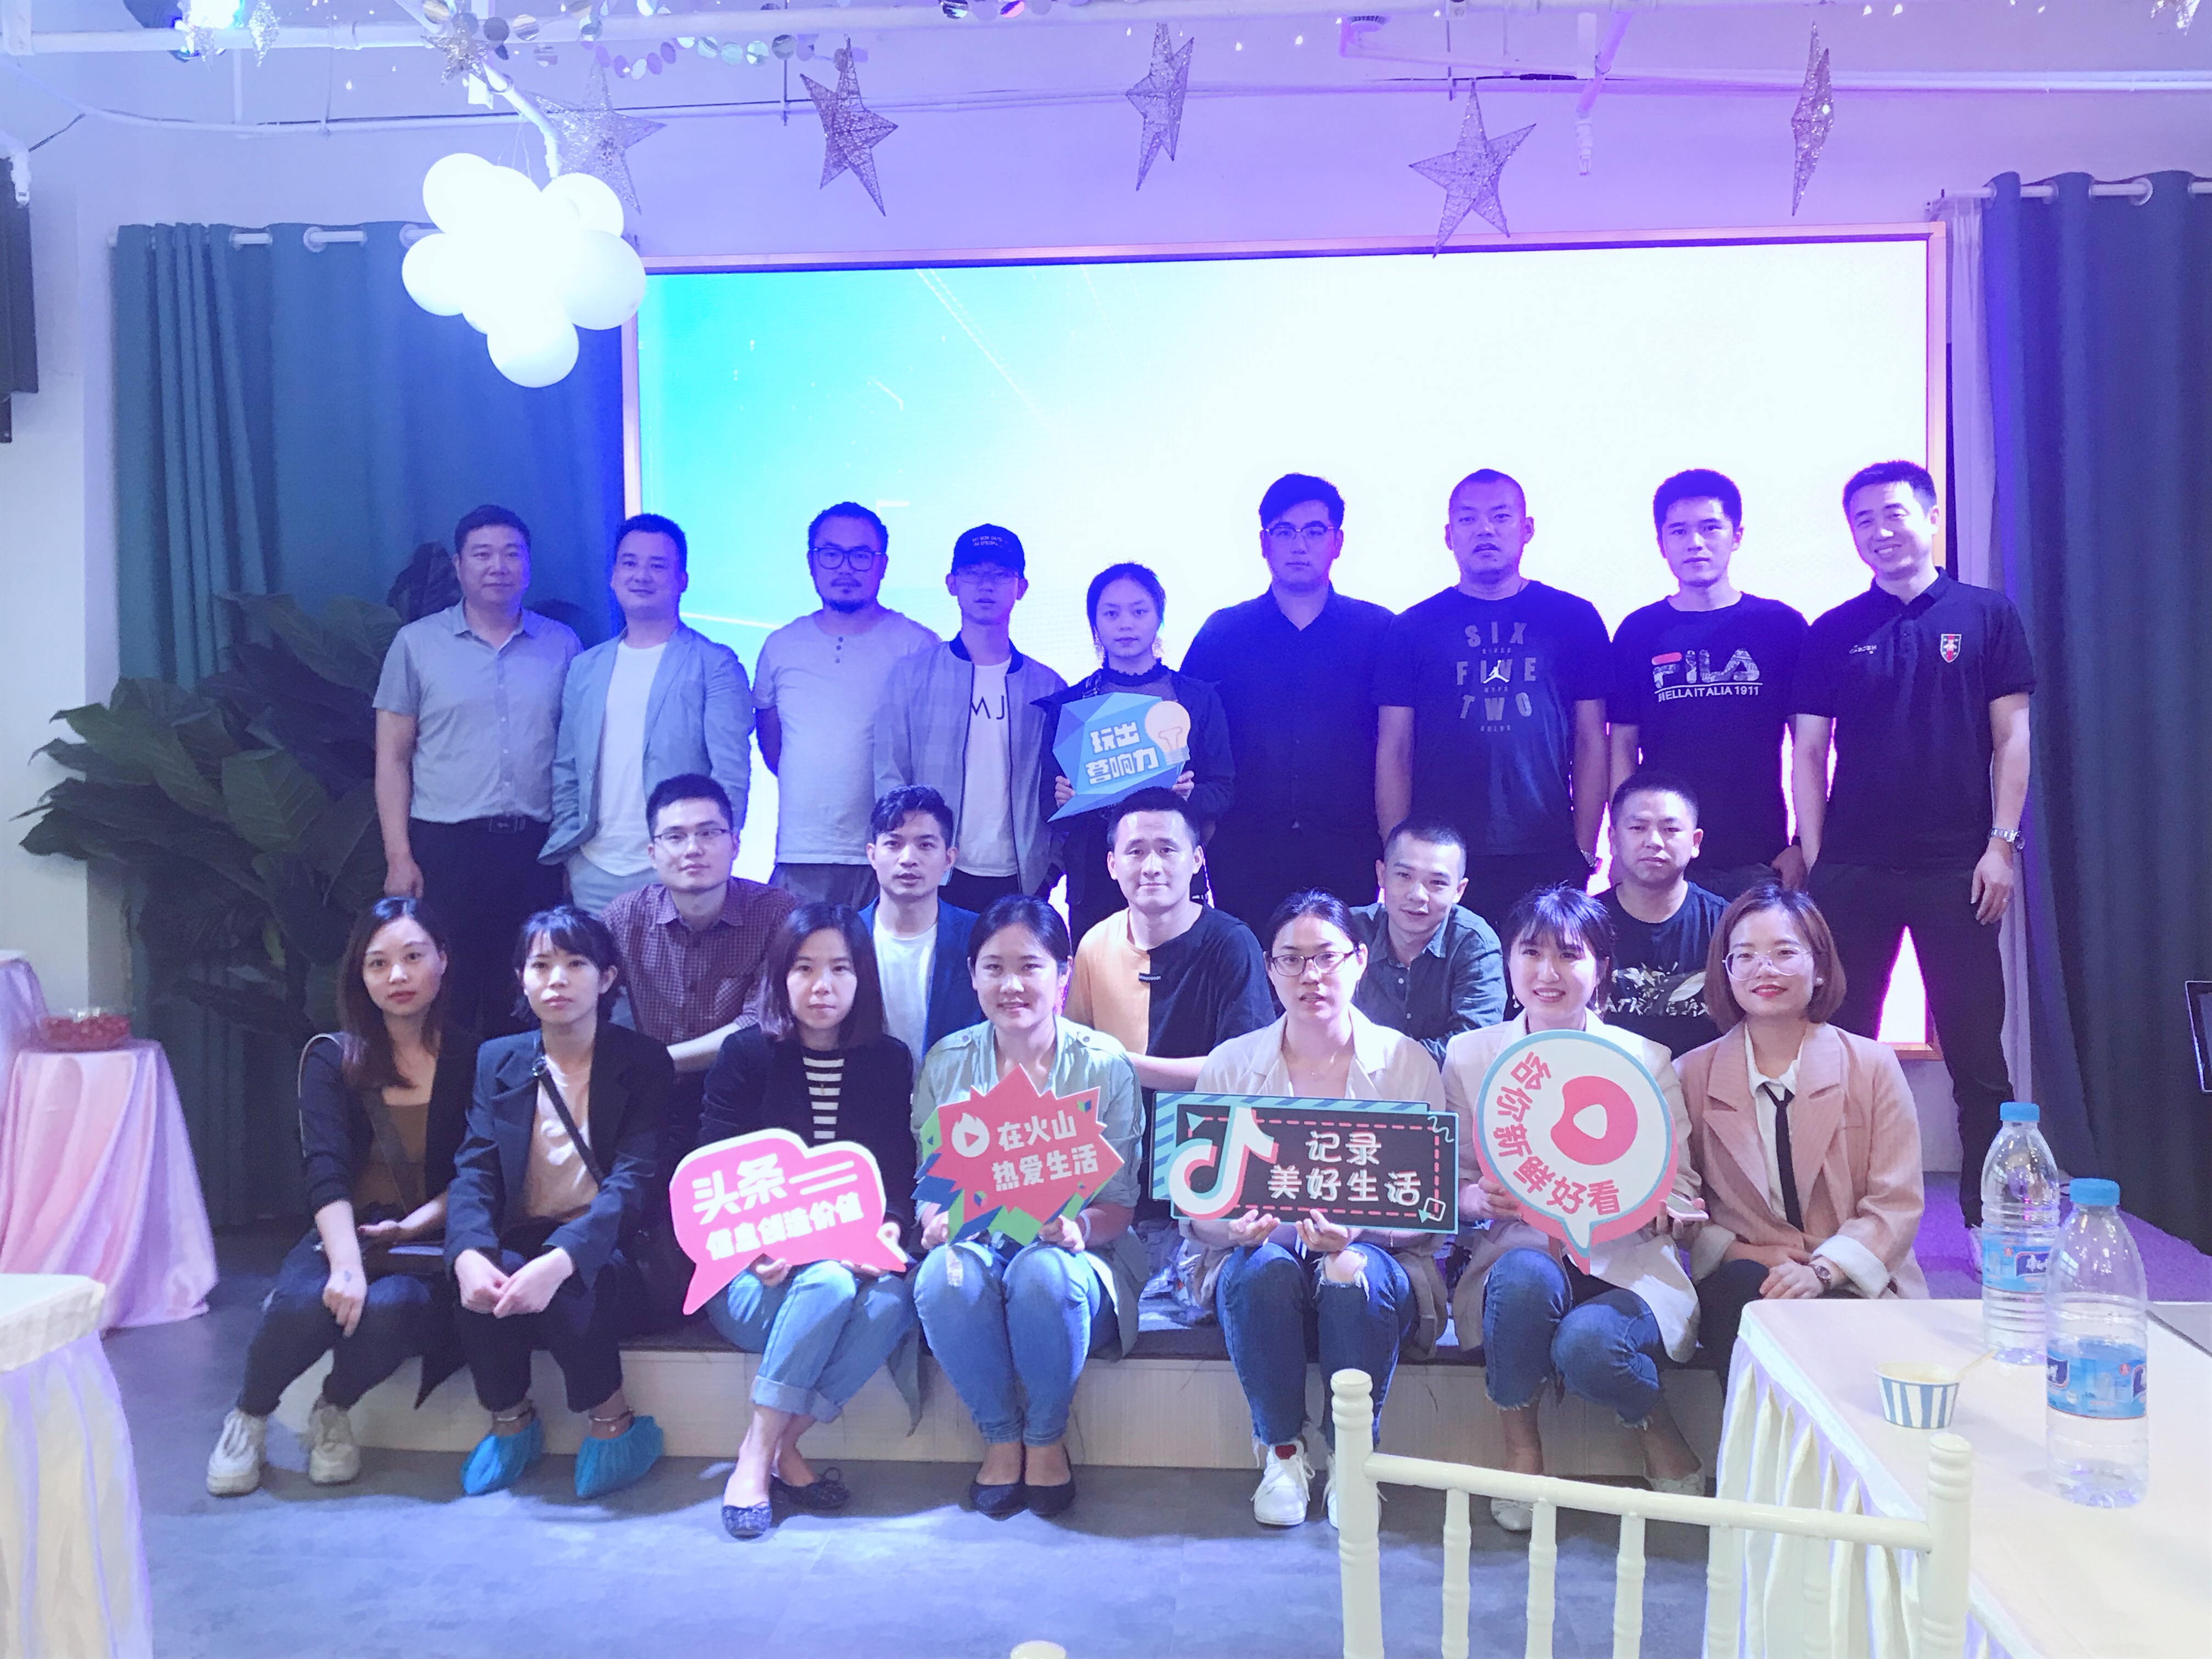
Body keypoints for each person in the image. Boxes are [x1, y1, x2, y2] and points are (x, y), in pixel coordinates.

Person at [1792, 460, 2033, 1229]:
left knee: (1976, 1051)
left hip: (1957, 867)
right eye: (1863, 520)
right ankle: (1840, 1215)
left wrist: (2001, 846)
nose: (1880, 531)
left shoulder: (1987, 615)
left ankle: (1989, 1219)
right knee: (1839, 1048)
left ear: (1930, 518)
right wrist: (1819, 861)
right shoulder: (1833, 630)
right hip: (1853, 869)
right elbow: (1808, 753)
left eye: (1893, 514)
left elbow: (2013, 738)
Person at [1442, 886, 1705, 1530]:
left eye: (1569, 954)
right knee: (1523, 1276)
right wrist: (1476, 1198)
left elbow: (1679, 1182)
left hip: (1626, 1261)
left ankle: (1656, 1425)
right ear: (1508, 962)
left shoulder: (1646, 1060)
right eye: (1530, 953)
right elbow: (1452, 1184)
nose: (1548, 972)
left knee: (1589, 1346)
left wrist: (1670, 1211)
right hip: (1518, 1252)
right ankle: (1521, 1454)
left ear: (1602, 967)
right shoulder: (1470, 1056)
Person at [1190, 891, 1444, 1530]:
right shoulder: (1230, 1065)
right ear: (1270, 969)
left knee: (1348, 1269)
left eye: (1327, 957)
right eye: (1292, 959)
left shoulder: (1407, 1063)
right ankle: (1282, 1454)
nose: (1312, 976)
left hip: (1377, 1258)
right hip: (1261, 1258)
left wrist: (1359, 1227)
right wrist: (1233, 1228)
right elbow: (1197, 1213)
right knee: (1263, 1269)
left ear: (1359, 960)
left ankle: (1354, 1460)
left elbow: (1428, 1213)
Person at [206, 899, 478, 1496]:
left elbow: (478, 1172)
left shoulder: (474, 1057)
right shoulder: (333, 1057)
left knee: (394, 1307)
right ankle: (248, 1416)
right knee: (302, 1305)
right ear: (360, 976)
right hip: (346, 1229)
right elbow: (324, 1170)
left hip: (430, 1235)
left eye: (413, 957)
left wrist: (414, 1227)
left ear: (443, 960)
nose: (398, 975)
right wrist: (347, 1265)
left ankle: (332, 1410)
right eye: (378, 964)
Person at [909, 896, 1145, 1520]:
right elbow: (931, 1187)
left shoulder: (1104, 1064)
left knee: (1043, 1273)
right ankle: (999, 1436)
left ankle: (1044, 1438)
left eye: (1030, 967)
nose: (1011, 985)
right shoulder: (946, 1062)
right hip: (979, 1245)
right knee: (943, 1277)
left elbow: (1119, 1208)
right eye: (994, 968)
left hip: (1082, 1256)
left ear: (1062, 975)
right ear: (972, 976)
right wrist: (934, 1222)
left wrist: (1077, 1228)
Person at [696, 904, 918, 1538]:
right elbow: (713, 1179)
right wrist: (766, 1246)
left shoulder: (888, 1060)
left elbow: (894, 1173)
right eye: (804, 968)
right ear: (780, 976)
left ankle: (772, 1445)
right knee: (827, 1281)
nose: (823, 986)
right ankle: (759, 1460)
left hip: (844, 1267)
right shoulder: (746, 1055)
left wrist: (889, 1229)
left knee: (893, 1300)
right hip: (749, 1275)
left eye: (840, 969)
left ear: (863, 977)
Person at [444, 906, 673, 1498]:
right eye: (541, 965)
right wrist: (467, 1250)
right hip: (527, 1233)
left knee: (573, 1287)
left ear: (607, 977)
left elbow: (635, 1181)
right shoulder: (498, 1058)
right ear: (521, 978)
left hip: (618, 1245)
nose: (557, 980)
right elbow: (475, 1166)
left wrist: (563, 1257)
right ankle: (511, 1422)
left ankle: (615, 1423)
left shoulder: (643, 1061)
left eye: (576, 964)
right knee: (485, 1277)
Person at [1677, 887, 1928, 1374]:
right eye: (1745, 956)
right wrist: (1751, 1253)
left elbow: (1895, 1203)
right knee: (1743, 1296)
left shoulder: (1873, 1066)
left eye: (1784, 953)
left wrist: (1823, 1271)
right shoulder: (1691, 1074)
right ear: (1726, 972)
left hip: (1858, 1278)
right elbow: (1686, 1206)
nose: (1764, 970)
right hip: (1747, 1280)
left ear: (1820, 969)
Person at [1375, 470, 1611, 936]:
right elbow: (1394, 749)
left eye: (1500, 517)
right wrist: (1398, 856)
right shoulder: (1411, 629)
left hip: (1546, 846)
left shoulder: (1574, 619)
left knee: (1545, 973)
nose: (1485, 530)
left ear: (1527, 529)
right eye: (1469, 519)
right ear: (1449, 535)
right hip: (1439, 857)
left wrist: (1585, 848)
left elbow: (1592, 741)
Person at [373, 504, 578, 1034]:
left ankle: (527, 1092)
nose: (498, 566)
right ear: (460, 566)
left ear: (528, 564)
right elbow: (392, 758)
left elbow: (576, 755)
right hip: (447, 850)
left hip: (535, 850)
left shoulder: (561, 645)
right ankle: (452, 1094)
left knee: (532, 997)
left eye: (512, 554)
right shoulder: (417, 644)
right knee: (451, 1003)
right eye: (483, 554)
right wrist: (399, 855)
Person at [1183, 473, 1395, 936]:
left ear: (1338, 541)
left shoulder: (1379, 631)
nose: (1300, 545)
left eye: (1315, 531)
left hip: (1349, 846)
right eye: (1284, 531)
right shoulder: (1223, 634)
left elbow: (1400, 744)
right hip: (1245, 849)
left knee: (1342, 969)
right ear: (1264, 543)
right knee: (1252, 971)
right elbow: (1186, 738)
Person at [1064, 788, 1274, 1221]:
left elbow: (1246, 1072)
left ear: (1196, 860)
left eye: (1167, 850)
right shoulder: (1094, 943)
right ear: (1112, 865)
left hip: (1207, 1173)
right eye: (1136, 852)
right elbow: (1074, 1065)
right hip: (1112, 1173)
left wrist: (1122, 1063)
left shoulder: (1232, 943)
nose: (1151, 866)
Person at [1608, 470, 1810, 900]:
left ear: (1737, 536)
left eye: (1710, 528)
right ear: (1662, 542)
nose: (1695, 543)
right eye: (1679, 531)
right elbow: (1622, 747)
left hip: (1761, 857)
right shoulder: (1638, 632)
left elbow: (1809, 747)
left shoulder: (1781, 627)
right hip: (1663, 858)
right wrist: (1621, 846)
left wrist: (1801, 843)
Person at [543, 513, 755, 915]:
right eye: (630, 563)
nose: (641, 575)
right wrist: (571, 853)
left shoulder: (715, 664)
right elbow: (567, 768)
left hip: (678, 870)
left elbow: (731, 774)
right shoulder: (585, 667)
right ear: (613, 576)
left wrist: (713, 856)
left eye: (658, 565)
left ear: (682, 580)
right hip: (593, 868)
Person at [600, 775, 799, 1176]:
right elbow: (589, 996)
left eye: (709, 833)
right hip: (656, 1096)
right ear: (653, 853)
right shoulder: (624, 917)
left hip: (748, 1094)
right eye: (675, 837)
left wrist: (657, 1062)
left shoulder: (776, 912)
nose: (693, 849)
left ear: (735, 844)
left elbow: (762, 1021)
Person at [873, 525, 1066, 914]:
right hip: (933, 873)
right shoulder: (912, 676)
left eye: (1000, 574)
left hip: (1022, 877)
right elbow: (890, 774)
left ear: (1021, 587)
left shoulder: (1049, 688)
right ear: (952, 583)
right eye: (973, 573)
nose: (986, 585)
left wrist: (1051, 867)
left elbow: (1062, 789)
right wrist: (906, 856)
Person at [1039, 562, 1235, 945]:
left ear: (1159, 618)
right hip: (1096, 882)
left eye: (1139, 611)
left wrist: (1188, 797)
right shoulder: (1070, 706)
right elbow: (1048, 803)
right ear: (1095, 624)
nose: (1125, 624)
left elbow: (1224, 790)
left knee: (1180, 980)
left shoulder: (1197, 699)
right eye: (1111, 614)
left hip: (1174, 877)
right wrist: (1064, 800)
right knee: (1100, 980)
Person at [753, 503, 939, 907]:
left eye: (860, 555)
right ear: (811, 562)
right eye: (831, 554)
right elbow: (773, 746)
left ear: (882, 565)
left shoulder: (917, 645)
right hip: (802, 853)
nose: (845, 568)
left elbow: (930, 754)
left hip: (891, 854)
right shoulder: (781, 645)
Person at [1346, 817, 1506, 1065]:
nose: (1418, 895)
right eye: (1404, 875)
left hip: (1446, 1086)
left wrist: (1383, 1063)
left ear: (1459, 891)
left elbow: (1474, 1045)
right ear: (1382, 874)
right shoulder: (1347, 932)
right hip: (1349, 1081)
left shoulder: (1475, 944)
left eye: (1437, 883)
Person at [1598, 771, 1728, 1058]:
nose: (1654, 841)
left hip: (1706, 1081)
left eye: (1670, 829)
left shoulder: (1727, 925)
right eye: (1638, 828)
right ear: (1613, 839)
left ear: (1695, 842)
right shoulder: (1582, 926)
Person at [857, 785, 984, 1068]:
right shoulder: (844, 937)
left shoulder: (980, 937)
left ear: (949, 858)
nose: (908, 859)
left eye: (925, 845)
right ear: (872, 855)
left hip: (958, 1091)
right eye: (893, 844)